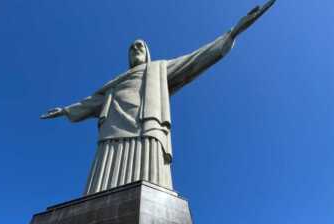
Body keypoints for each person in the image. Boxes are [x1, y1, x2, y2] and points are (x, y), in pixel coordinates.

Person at [41, 2, 276, 195]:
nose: (135, 49)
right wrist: (65, 110)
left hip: (147, 124)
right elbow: (91, 103)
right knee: (104, 178)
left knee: (150, 179)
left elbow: (195, 60)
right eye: (132, 47)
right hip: (113, 129)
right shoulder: (113, 84)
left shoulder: (159, 69)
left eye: (140, 46)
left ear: (147, 52)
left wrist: (233, 33)